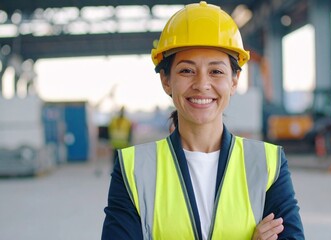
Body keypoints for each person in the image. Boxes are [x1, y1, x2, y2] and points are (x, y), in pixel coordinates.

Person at [102, 2, 304, 239]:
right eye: (187, 71)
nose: (201, 84)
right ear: (166, 80)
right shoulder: (134, 169)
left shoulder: (267, 164)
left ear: (234, 80)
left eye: (216, 71)